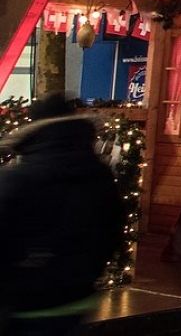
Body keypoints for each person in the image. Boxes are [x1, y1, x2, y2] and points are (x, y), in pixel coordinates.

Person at [0, 93, 124, 335]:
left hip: (25, 305)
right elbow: (111, 231)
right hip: (79, 297)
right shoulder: (99, 174)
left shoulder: (18, 178)